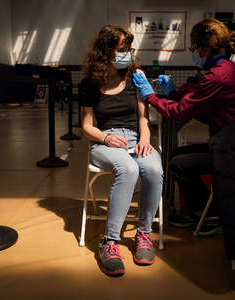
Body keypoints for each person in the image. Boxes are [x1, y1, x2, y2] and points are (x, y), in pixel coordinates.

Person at [133, 19, 235, 292]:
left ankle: (205, 214)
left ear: (205, 48)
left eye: (195, 47)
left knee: (178, 163)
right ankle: (203, 211)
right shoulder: (228, 69)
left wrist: (150, 96)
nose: (193, 52)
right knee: (181, 156)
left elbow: (180, 113)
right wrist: (174, 94)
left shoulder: (218, 75)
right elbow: (209, 111)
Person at [79, 25, 163, 276]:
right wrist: (105, 137)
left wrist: (145, 138)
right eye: (121, 49)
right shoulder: (90, 83)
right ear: (106, 51)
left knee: (153, 168)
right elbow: (86, 126)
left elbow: (143, 116)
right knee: (127, 169)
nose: (127, 54)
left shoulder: (136, 75)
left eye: (128, 49)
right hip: (104, 142)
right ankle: (110, 242)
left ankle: (144, 234)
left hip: (136, 137)